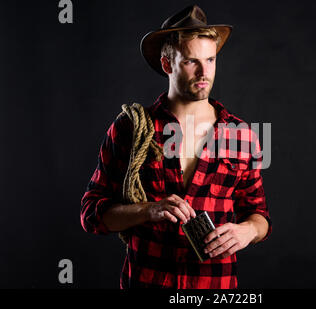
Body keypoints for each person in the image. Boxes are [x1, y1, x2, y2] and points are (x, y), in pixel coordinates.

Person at [80, 4, 272, 289]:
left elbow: (259, 215)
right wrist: (148, 210)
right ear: (167, 64)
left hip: (214, 287)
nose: (203, 71)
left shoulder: (241, 136)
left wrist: (247, 230)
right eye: (191, 61)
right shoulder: (130, 128)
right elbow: (91, 214)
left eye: (210, 60)